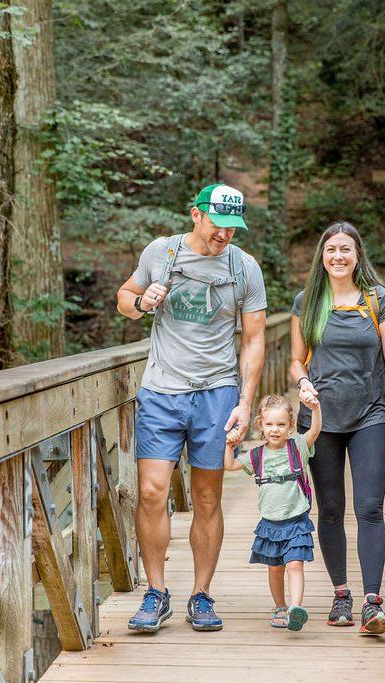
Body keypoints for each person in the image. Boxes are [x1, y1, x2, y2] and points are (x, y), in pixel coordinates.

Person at [116, 183, 267, 633]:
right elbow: (125, 298)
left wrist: (245, 402)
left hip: (216, 391)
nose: (225, 234)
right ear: (195, 214)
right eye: (218, 224)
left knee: (206, 497)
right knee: (150, 492)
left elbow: (255, 339)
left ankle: (201, 594)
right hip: (162, 389)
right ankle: (156, 592)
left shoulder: (244, 268)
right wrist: (142, 303)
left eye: (233, 227)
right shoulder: (161, 253)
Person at [288, 221, 385, 635]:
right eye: (330, 249)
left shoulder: (380, 301)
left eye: (345, 249)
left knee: (370, 507)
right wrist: (303, 382)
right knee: (330, 508)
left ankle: (372, 603)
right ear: (321, 257)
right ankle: (341, 593)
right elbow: (295, 360)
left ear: (358, 255)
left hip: (371, 415)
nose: (338, 256)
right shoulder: (307, 302)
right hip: (321, 419)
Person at [223, 394, 322, 631]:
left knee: (295, 565)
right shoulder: (256, 455)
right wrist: (230, 446)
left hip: (297, 520)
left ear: (290, 426)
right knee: (275, 569)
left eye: (281, 424)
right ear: (261, 425)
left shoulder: (297, 446)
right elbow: (230, 466)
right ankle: (280, 606)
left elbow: (316, 431)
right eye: (269, 424)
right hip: (270, 524)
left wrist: (316, 409)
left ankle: (295, 608)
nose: (275, 430)